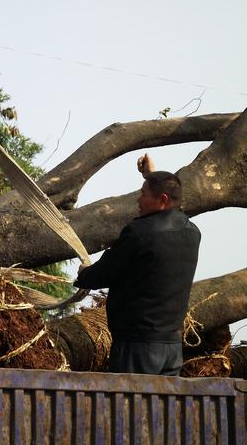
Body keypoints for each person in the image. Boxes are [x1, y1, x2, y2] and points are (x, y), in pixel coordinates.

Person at [75, 154, 201, 376]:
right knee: (161, 409)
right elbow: (173, 207)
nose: (138, 200)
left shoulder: (140, 232)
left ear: (161, 199)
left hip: (138, 347)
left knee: (129, 408)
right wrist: (150, 176)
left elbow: (104, 273)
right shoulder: (191, 232)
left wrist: (85, 274)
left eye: (143, 194)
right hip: (171, 348)